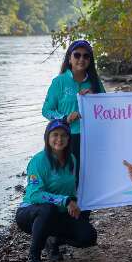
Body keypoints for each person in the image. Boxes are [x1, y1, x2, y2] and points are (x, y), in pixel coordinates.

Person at [15, 119, 97, 262]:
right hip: (30, 214)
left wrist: (79, 202)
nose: (59, 139)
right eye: (55, 135)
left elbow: (71, 190)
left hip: (59, 214)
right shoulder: (38, 161)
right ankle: (34, 257)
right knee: (47, 209)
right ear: (47, 137)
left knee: (89, 237)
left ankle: (53, 240)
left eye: (64, 135)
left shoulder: (71, 159)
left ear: (68, 138)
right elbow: (34, 194)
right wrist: (65, 200)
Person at [42, 40, 106, 185]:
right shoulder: (58, 82)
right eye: (77, 55)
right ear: (69, 58)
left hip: (91, 136)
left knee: (88, 177)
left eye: (86, 56)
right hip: (66, 138)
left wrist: (95, 98)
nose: (81, 59)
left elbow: (106, 109)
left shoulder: (95, 83)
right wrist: (64, 118)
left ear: (90, 60)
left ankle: (85, 207)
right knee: (67, 177)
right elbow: (46, 110)